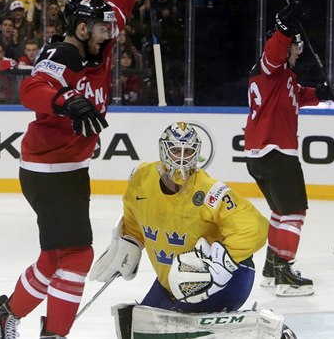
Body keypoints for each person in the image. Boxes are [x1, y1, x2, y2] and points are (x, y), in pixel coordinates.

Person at [0, 0, 141, 338]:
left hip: (69, 169)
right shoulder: (62, 52)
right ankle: (54, 334)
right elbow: (30, 90)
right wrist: (65, 97)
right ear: (82, 29)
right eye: (102, 28)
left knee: (55, 257)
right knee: (78, 256)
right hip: (49, 170)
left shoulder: (100, 39)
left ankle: (5, 316)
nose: (110, 33)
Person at [89, 122, 277, 338]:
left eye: (188, 152)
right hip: (169, 284)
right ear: (164, 150)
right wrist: (130, 241)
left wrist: (220, 262)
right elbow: (134, 214)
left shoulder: (209, 191)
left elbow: (255, 227)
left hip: (223, 280)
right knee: (136, 330)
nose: (181, 158)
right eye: (176, 150)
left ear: (196, 154)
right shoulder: (141, 178)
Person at [244, 1, 334, 297]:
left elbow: (300, 94)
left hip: (258, 155)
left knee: (280, 211)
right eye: (295, 46)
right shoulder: (270, 67)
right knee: (294, 212)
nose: (298, 51)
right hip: (276, 152)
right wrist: (283, 29)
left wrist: (325, 92)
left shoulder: (282, 78)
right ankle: (284, 274)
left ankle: (271, 268)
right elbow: (273, 52)